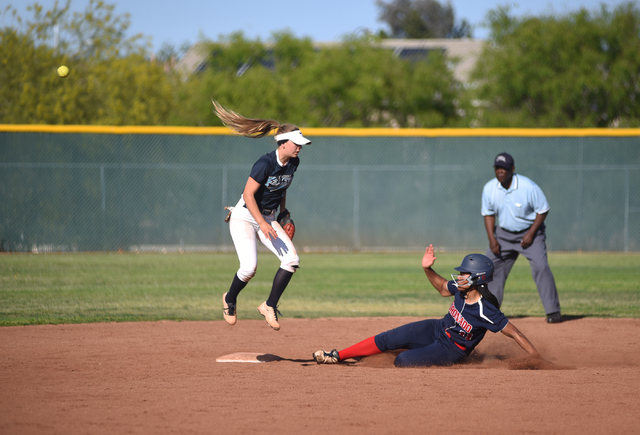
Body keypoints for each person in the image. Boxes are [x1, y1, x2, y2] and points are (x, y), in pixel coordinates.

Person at [313, 245, 550, 367]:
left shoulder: (485, 309)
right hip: (437, 329)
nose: (459, 277)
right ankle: (337, 355)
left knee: (402, 361)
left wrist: (536, 357)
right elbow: (441, 288)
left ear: (478, 278)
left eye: (465, 274)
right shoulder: (460, 288)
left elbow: (514, 332)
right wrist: (427, 268)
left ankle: (411, 352)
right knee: (387, 338)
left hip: (452, 350)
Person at [213, 100, 311, 331]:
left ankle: (269, 306)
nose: (299, 147)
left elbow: (282, 188)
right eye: (296, 144)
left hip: (268, 218)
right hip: (246, 216)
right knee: (249, 268)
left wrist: (283, 213)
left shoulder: (293, 162)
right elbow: (248, 195)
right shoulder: (265, 163)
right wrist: (261, 223)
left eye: (300, 144)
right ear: (283, 143)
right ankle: (229, 298)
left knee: (291, 260)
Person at [481, 152, 562, 324]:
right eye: (497, 168)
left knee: (541, 266)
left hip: (530, 233)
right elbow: (488, 214)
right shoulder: (489, 188)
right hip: (503, 235)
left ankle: (553, 311)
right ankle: (489, 311)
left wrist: (531, 234)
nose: (500, 171)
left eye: (504, 168)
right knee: (489, 268)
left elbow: (543, 209)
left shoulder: (527, 186)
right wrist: (492, 239)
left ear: (512, 169)